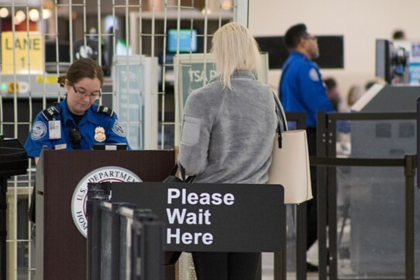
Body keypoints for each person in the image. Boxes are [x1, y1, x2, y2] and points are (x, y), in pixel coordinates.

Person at [178, 22, 277, 280]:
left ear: (219, 52)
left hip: (212, 206)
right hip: (253, 205)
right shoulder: (268, 96)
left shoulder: (202, 98)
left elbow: (191, 163)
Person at [279, 23, 334, 272]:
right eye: (313, 38)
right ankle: (298, 252)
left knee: (309, 199)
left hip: (297, 138)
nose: (316, 42)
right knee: (323, 201)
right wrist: (344, 127)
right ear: (303, 41)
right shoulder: (305, 68)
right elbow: (320, 106)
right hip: (312, 138)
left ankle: (297, 252)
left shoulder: (288, 67)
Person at [24, 58, 130, 164]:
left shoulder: (106, 119)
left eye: (94, 94)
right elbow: (42, 167)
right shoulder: (47, 119)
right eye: (81, 91)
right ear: (67, 85)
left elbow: (124, 157)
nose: (86, 99)